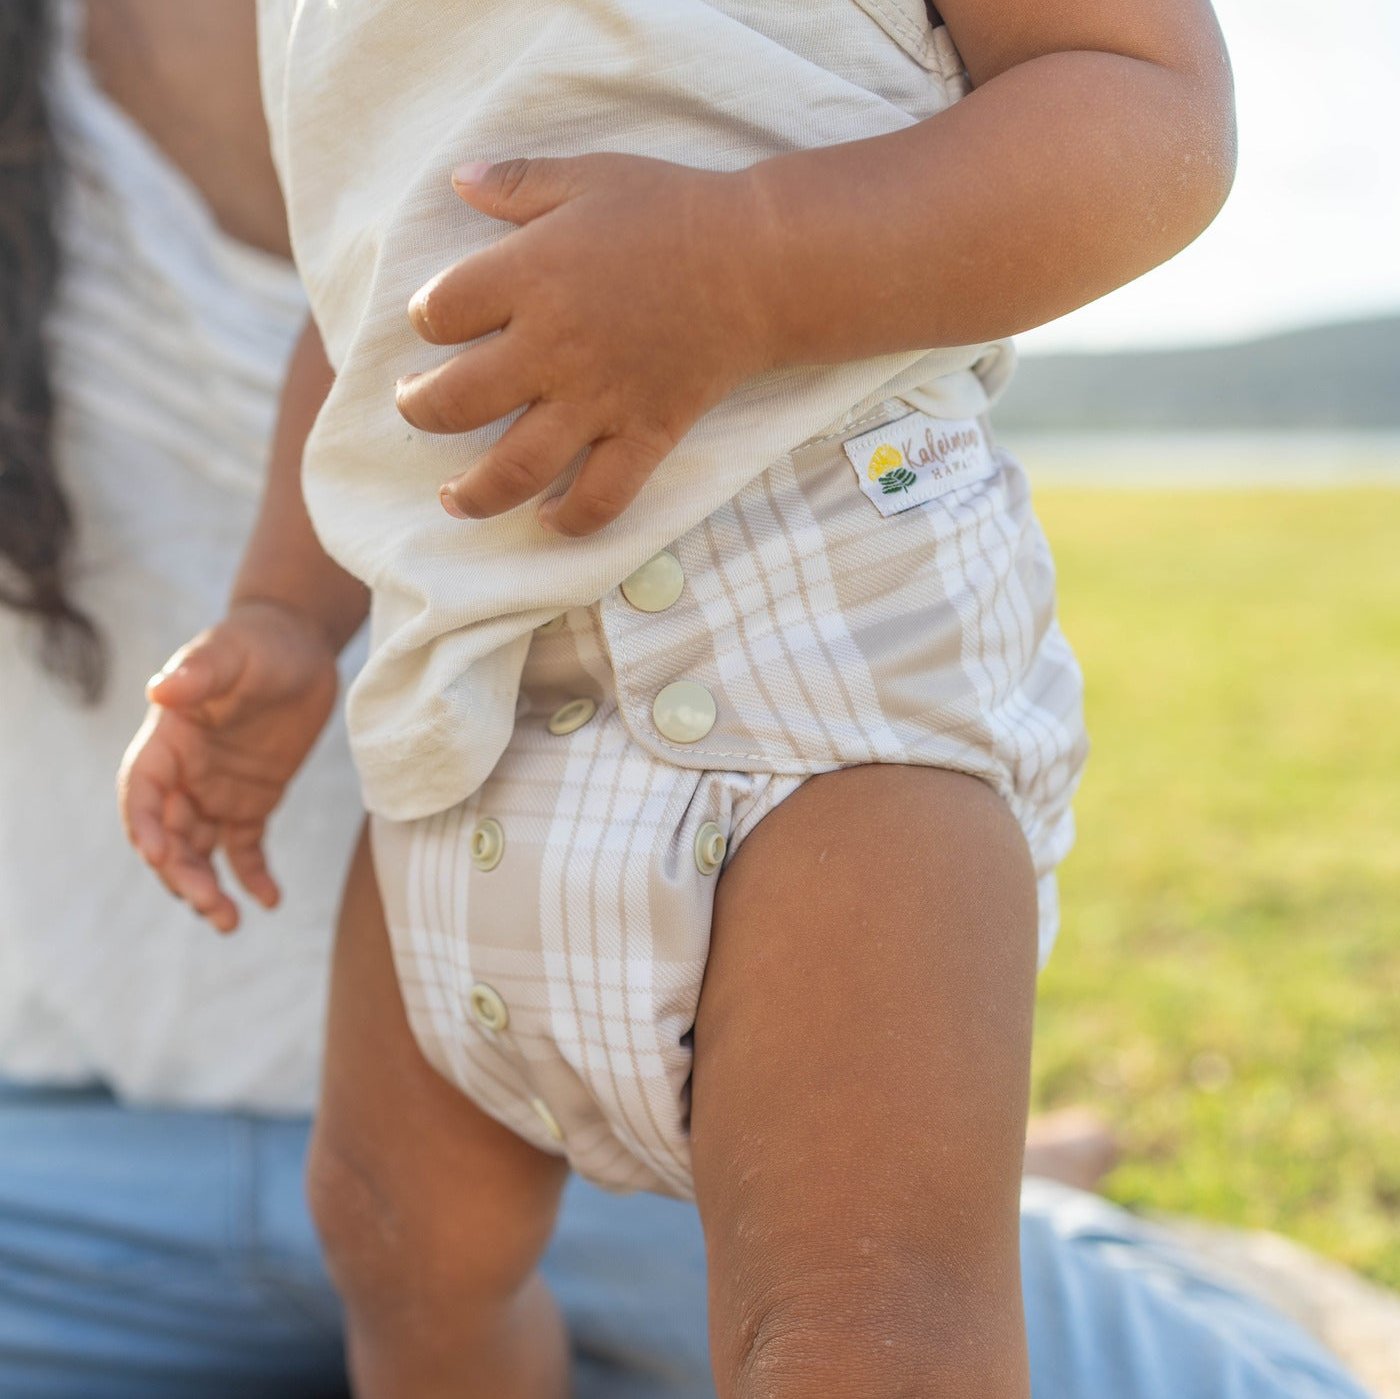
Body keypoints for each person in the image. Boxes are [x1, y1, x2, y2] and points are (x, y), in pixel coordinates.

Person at [0, 3, 1375, 1397]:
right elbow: (368, 284)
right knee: (399, 1248)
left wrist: (750, 261)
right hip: (468, 710)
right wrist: (285, 616)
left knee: (868, 1324)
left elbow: (1152, 101)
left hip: (821, 670)